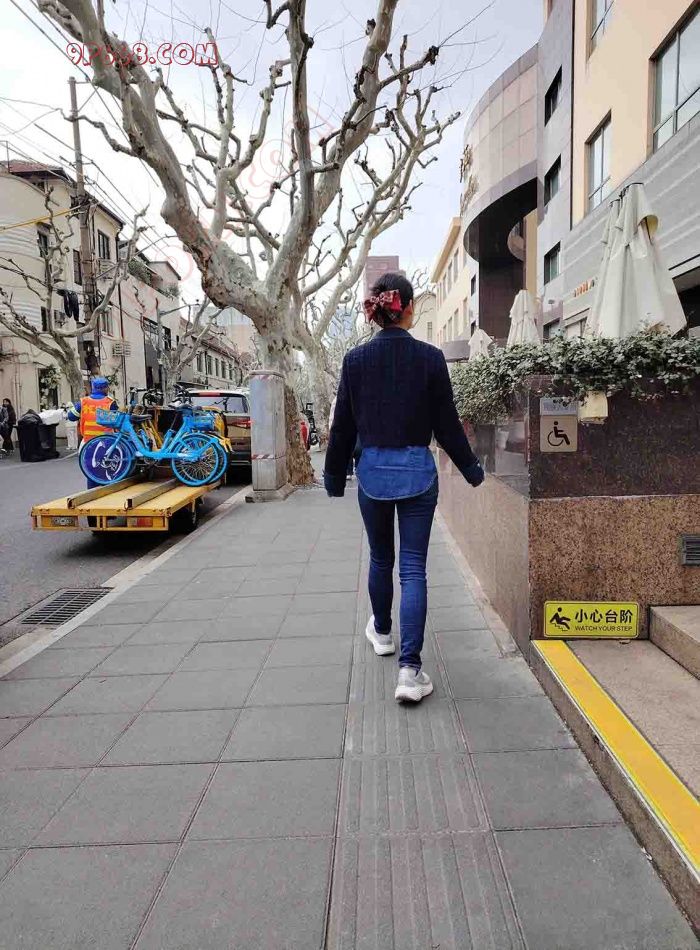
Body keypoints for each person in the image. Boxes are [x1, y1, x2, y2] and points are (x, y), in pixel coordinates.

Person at [324, 273, 484, 703]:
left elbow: (342, 427)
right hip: (418, 473)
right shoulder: (430, 359)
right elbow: (447, 425)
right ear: (408, 308)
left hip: (373, 474)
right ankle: (410, 672)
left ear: (376, 312)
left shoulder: (355, 361)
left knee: (381, 558)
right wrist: (471, 469)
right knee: (413, 569)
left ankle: (381, 632)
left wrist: (334, 477)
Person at [66, 377, 117, 489]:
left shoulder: (83, 402)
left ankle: (92, 492)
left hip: (88, 442)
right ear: (105, 388)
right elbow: (115, 422)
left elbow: (71, 416)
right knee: (108, 471)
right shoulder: (110, 402)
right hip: (107, 442)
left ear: (93, 388)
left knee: (91, 472)